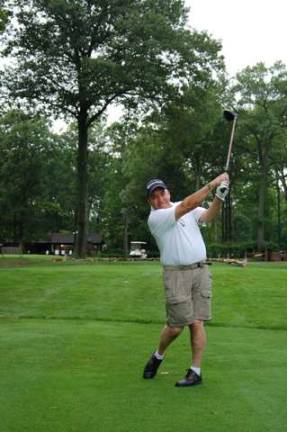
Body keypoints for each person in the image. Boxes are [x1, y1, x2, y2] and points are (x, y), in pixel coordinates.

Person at [143, 173, 229, 387]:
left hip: (200, 271)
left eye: (161, 193)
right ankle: (158, 356)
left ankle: (195, 372)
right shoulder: (156, 218)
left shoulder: (184, 206)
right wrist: (212, 183)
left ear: (167, 192)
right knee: (175, 327)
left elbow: (208, 216)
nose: (159, 199)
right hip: (176, 274)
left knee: (197, 321)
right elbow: (188, 205)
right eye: (154, 196)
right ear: (149, 201)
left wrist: (219, 197)